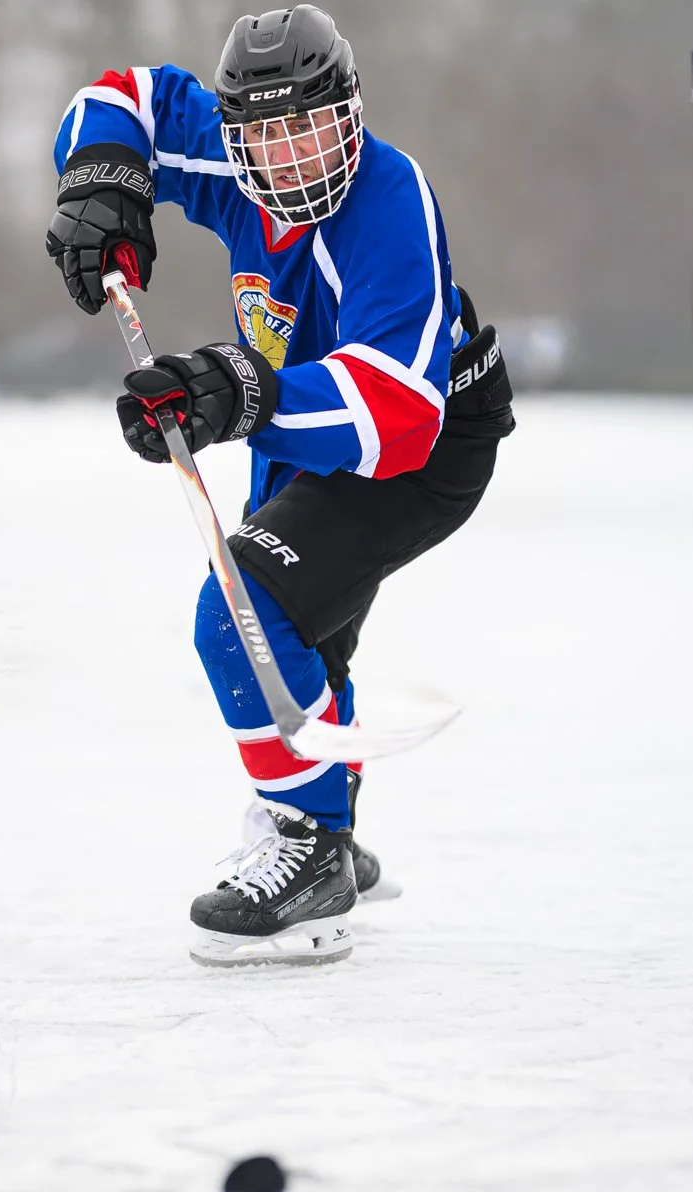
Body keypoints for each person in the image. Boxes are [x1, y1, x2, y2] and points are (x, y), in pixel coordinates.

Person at [46, 5, 514, 966]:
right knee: (304, 635)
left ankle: (310, 847)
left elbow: (397, 411)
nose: (292, 153)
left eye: (311, 124)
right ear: (235, 134)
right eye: (265, 131)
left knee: (242, 615)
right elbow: (122, 97)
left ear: (350, 111)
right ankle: (329, 830)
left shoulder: (388, 197)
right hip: (303, 411)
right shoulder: (231, 161)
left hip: (423, 437)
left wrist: (232, 392)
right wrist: (103, 183)